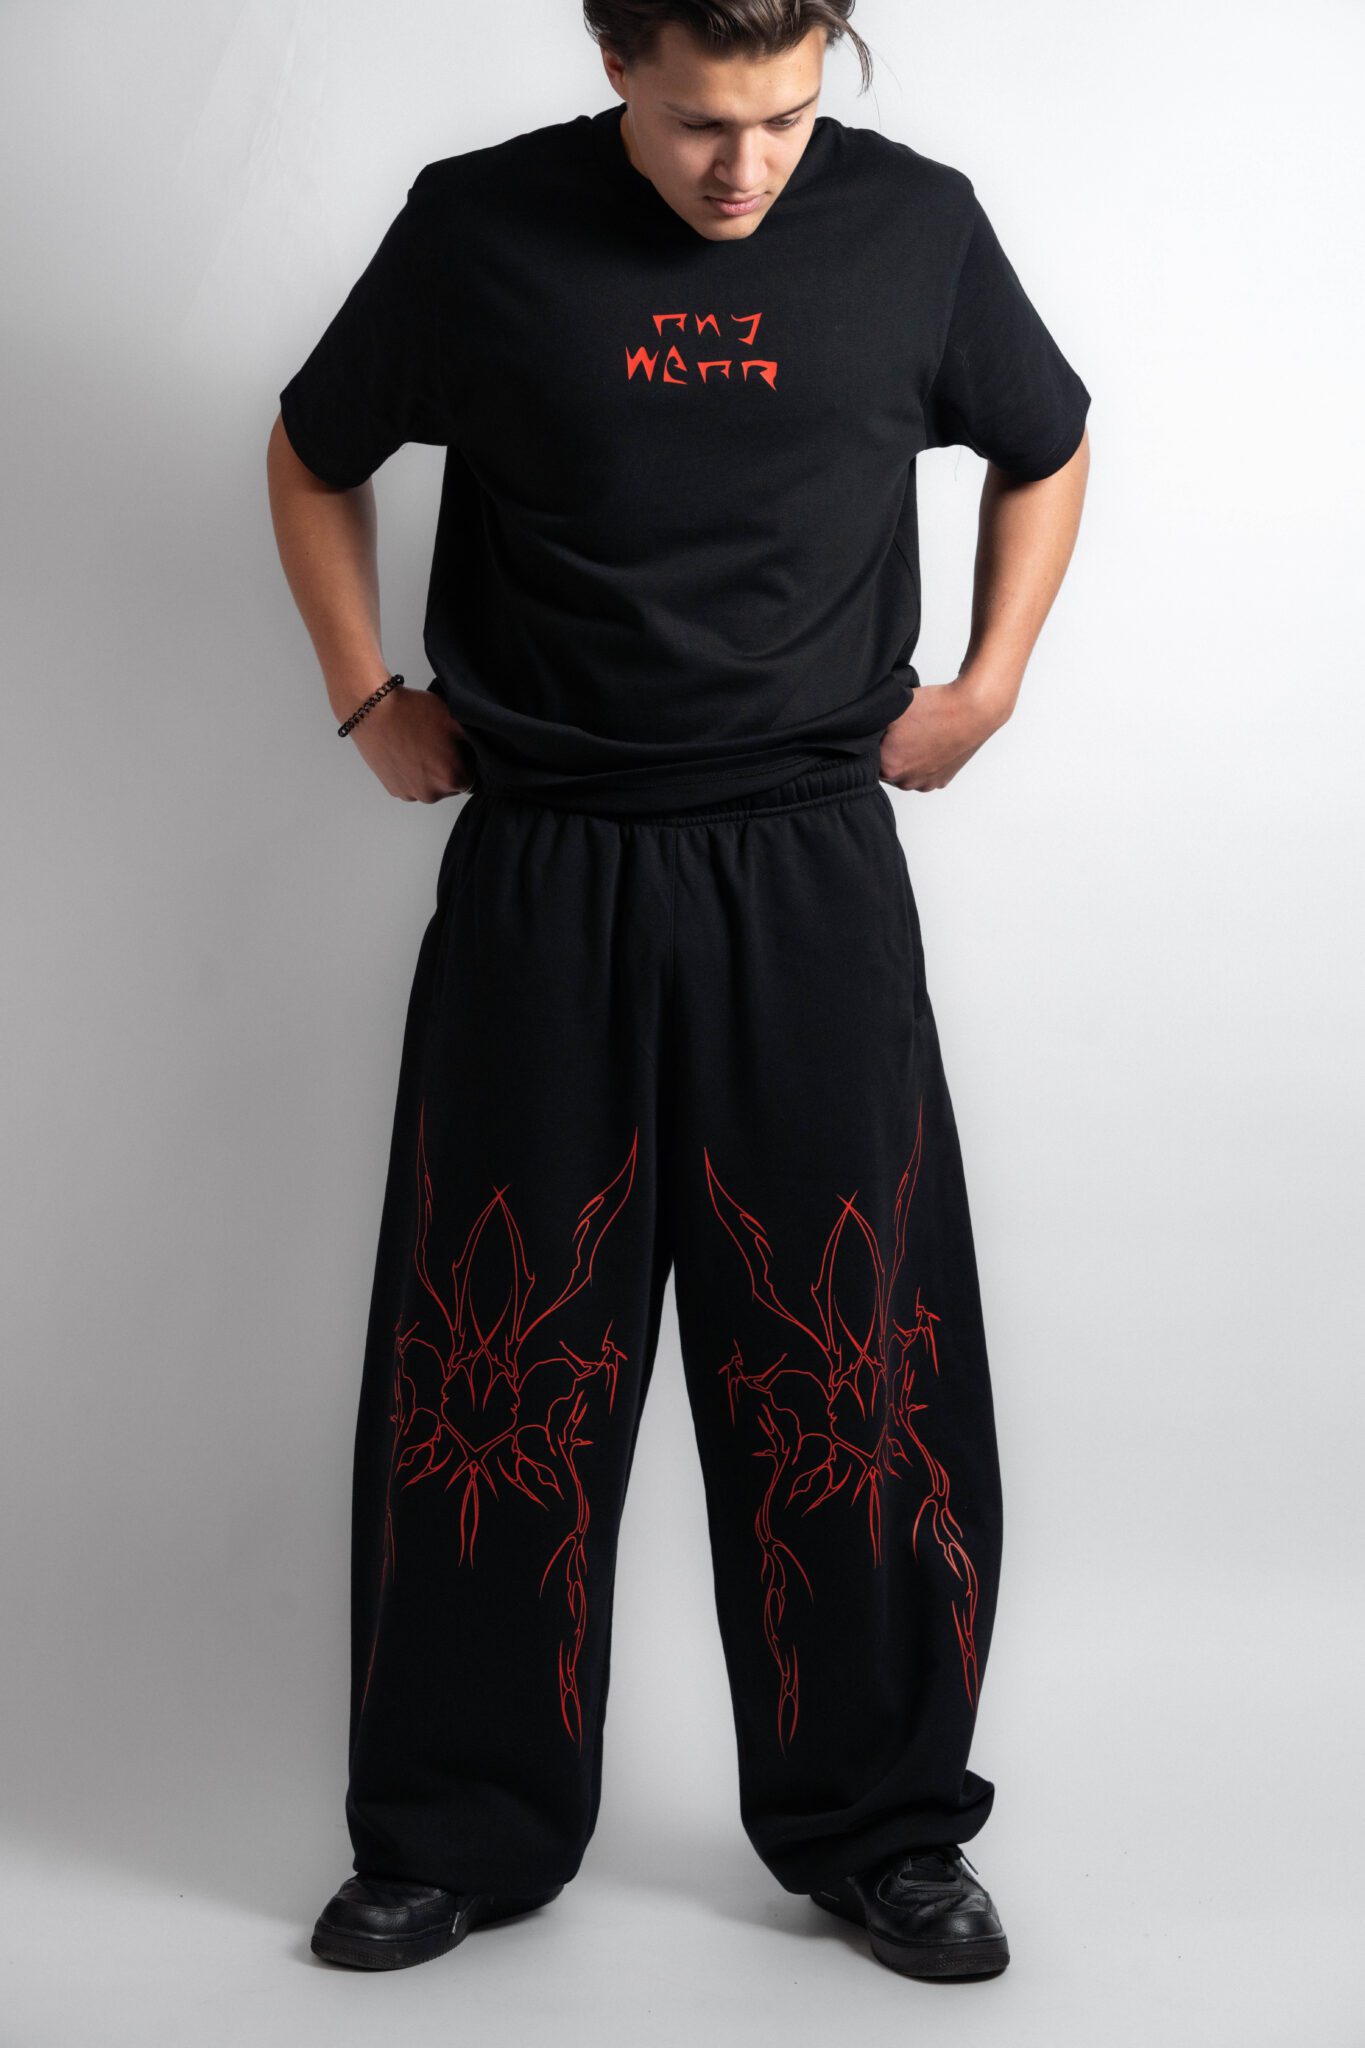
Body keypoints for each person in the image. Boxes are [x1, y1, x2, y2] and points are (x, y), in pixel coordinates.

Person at [267, 0, 1090, 1984]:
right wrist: (366, 694)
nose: (746, 166)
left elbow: (1045, 440)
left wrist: (987, 687)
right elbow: (311, 451)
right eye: (706, 122)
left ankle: (882, 1827)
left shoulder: (915, 229)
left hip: (804, 863)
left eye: (787, 117)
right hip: (545, 859)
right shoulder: (476, 226)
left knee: (845, 1354)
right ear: (617, 59)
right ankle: (451, 1832)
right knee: (493, 1359)